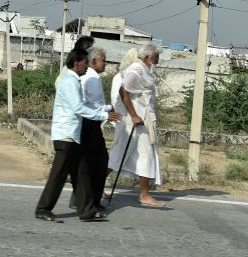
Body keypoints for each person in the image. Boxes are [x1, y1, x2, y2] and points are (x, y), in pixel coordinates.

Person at [35, 48, 121, 223]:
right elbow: (78, 108)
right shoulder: (70, 80)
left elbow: (82, 106)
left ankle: (87, 210)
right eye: (84, 63)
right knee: (58, 175)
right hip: (66, 135)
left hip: (72, 136)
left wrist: (104, 110)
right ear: (76, 63)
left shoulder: (73, 79)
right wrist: (104, 115)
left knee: (80, 173)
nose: (86, 66)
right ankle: (43, 209)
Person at [107, 42, 164, 207]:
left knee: (145, 154)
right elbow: (123, 91)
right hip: (132, 122)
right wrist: (133, 115)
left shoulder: (146, 71)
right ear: (147, 57)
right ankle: (93, 186)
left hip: (144, 120)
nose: (157, 62)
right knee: (119, 154)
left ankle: (144, 194)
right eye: (155, 59)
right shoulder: (136, 70)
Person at [69, 47, 112, 211]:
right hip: (90, 121)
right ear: (94, 61)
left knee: (87, 162)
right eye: (104, 60)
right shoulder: (92, 78)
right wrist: (109, 110)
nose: (105, 63)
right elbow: (95, 105)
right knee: (100, 162)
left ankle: (81, 199)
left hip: (87, 121)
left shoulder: (87, 76)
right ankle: (91, 200)